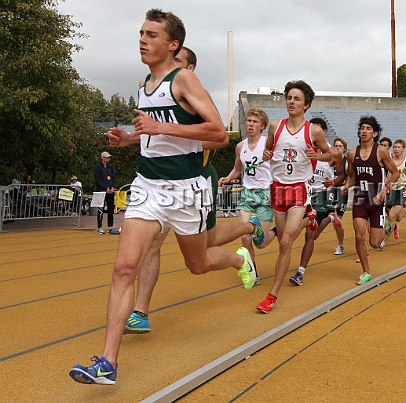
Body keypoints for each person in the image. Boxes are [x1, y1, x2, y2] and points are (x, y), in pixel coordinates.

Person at [69, 9, 257, 385]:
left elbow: (220, 132)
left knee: (198, 264)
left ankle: (239, 261)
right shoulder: (143, 83)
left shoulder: (184, 79)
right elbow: (157, 135)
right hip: (146, 186)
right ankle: (107, 362)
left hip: (185, 191)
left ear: (173, 45)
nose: (143, 39)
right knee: (124, 267)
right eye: (141, 32)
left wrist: (158, 126)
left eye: (152, 34)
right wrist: (133, 139)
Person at [123, 47, 265, 335]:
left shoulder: (197, 97)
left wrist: (171, 137)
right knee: (152, 244)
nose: (169, 66)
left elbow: (218, 139)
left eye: (176, 62)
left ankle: (245, 243)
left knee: (206, 246)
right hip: (161, 183)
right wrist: (130, 139)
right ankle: (140, 312)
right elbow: (151, 138)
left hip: (196, 179)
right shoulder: (156, 92)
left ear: (189, 70)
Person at [256, 80, 332, 314]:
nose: (291, 101)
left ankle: (272, 295)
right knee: (282, 244)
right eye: (289, 97)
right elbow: (267, 151)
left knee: (287, 241)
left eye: (297, 98)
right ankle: (311, 218)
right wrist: (267, 153)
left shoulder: (313, 130)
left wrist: (318, 156)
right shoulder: (275, 126)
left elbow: (331, 156)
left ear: (306, 104)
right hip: (278, 189)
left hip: (300, 188)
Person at [218, 106, 278, 283]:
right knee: (245, 237)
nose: (250, 125)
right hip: (247, 194)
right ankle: (254, 273)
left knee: (261, 243)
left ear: (263, 126)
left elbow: (279, 169)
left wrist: (275, 191)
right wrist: (227, 178)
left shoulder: (269, 145)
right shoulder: (240, 147)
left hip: (265, 194)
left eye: (255, 122)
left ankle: (277, 231)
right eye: (248, 121)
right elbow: (238, 169)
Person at [341, 115, 399, 282]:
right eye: (362, 128)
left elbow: (395, 173)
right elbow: (352, 177)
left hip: (377, 200)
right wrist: (346, 186)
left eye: (368, 128)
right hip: (360, 198)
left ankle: (387, 224)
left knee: (375, 243)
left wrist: (384, 191)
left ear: (375, 133)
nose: (364, 131)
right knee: (359, 236)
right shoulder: (352, 153)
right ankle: (366, 271)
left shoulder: (380, 151)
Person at [289, 117, 345, 286]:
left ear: (324, 132)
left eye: (317, 129)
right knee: (314, 234)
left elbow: (342, 175)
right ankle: (330, 217)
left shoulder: (332, 153)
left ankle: (300, 272)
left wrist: (333, 182)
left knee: (309, 234)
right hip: (305, 193)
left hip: (322, 195)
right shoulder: (302, 147)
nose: (314, 132)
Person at [383, 139, 406, 243]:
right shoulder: (389, 160)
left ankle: (383, 241)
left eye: (399, 147)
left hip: (401, 189)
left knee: (391, 216)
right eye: (395, 147)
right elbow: (386, 175)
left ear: (404, 149)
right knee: (397, 217)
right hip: (390, 190)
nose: (396, 149)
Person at [330, 137, 348, 255]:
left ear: (344, 149)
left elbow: (351, 177)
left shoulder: (346, 162)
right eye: (336, 146)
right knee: (328, 216)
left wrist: (345, 185)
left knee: (337, 221)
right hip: (330, 190)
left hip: (341, 190)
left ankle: (340, 245)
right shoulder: (329, 160)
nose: (337, 148)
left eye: (340, 146)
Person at [94, 151, 119, 235]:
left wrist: (113, 187)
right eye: (107, 157)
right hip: (101, 190)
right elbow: (98, 179)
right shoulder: (98, 167)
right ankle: (99, 227)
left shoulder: (110, 167)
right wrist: (105, 187)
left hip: (110, 191)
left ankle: (110, 226)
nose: (108, 159)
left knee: (111, 209)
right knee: (100, 209)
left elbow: (113, 178)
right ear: (102, 158)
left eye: (109, 157)